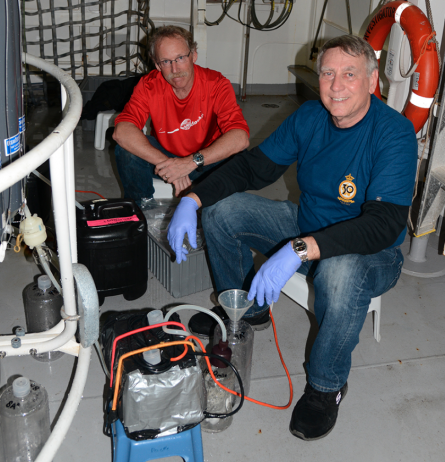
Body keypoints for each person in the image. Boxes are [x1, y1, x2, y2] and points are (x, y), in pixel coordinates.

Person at [166, 35, 417, 441]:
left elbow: (383, 224)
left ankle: (325, 387)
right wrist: (192, 199)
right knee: (223, 211)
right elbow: (253, 168)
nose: (336, 85)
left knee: (339, 272)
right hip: (307, 223)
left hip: (370, 253)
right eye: (328, 74)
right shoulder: (310, 117)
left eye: (349, 74)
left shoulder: (394, 134)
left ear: (373, 82)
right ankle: (245, 313)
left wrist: (299, 249)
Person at [112, 25, 250, 205]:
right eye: (166, 62)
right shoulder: (149, 85)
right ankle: (142, 209)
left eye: (180, 58)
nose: (175, 69)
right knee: (126, 150)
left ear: (194, 54)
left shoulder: (216, 84)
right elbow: (121, 131)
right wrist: (170, 164)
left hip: (206, 159)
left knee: (239, 155)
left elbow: (241, 138)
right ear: (156, 64)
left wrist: (190, 163)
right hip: (165, 158)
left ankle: (220, 212)